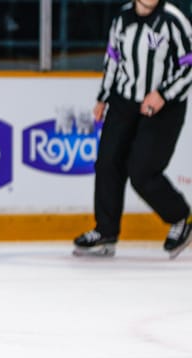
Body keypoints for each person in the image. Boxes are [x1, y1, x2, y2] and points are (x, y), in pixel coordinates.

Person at [73, 0, 192, 259]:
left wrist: (163, 94)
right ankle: (106, 231)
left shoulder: (173, 21)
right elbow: (113, 59)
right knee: (107, 163)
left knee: (142, 171)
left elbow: (189, 63)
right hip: (124, 102)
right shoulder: (122, 18)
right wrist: (103, 97)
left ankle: (180, 217)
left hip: (164, 108)